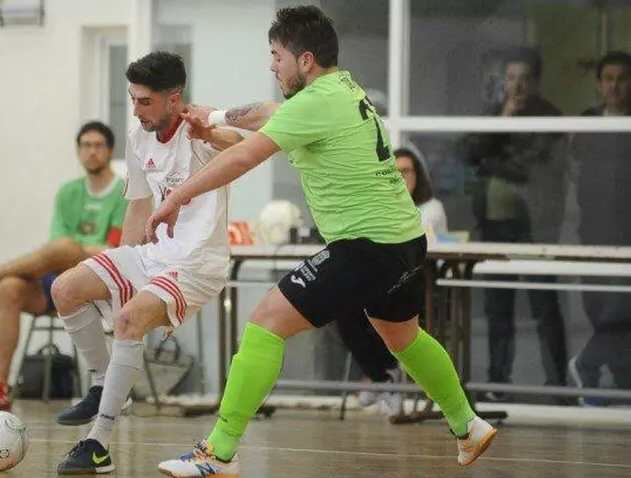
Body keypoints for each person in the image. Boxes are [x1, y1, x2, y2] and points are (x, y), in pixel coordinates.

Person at [150, 6, 496, 476]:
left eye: (277, 56)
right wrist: (211, 118)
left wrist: (176, 197)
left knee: (265, 322)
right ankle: (467, 424)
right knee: (405, 338)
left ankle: (219, 452)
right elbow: (268, 115)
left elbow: (246, 157)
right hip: (406, 242)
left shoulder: (313, 104)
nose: (272, 65)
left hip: (367, 246)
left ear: (305, 60)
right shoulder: (343, 89)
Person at [50, 51, 244, 475]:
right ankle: (102, 384)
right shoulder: (139, 137)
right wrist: (118, 268)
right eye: (132, 99)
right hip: (153, 255)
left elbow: (247, 149)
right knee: (65, 289)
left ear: (174, 99)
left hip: (196, 265)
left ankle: (97, 443)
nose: (136, 110)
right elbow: (138, 206)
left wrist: (211, 133)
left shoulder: (201, 128)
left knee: (128, 321)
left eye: (145, 101)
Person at [0, 121, 127, 413]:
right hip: (62, 279)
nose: (92, 152)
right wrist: (72, 249)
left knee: (63, 248)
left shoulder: (123, 192)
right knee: (10, 286)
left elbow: (112, 250)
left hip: (102, 283)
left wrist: (75, 248)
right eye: (86, 146)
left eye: (98, 146)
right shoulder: (68, 192)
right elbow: (56, 247)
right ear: (78, 151)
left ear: (109, 151)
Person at [464, 49, 569, 400]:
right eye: (511, 78)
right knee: (498, 309)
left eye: (524, 78)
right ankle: (498, 384)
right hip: (495, 225)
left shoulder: (548, 117)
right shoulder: (495, 113)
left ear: (535, 81)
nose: (517, 85)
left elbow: (530, 168)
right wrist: (503, 121)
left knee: (544, 307)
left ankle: (559, 385)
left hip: (535, 226)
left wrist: (492, 162)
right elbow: (470, 152)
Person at [338, 145, 450, 413]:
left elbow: (407, 238)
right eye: (394, 172)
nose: (400, 178)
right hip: (384, 282)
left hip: (424, 287)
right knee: (343, 308)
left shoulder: (431, 208)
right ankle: (383, 376)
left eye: (406, 172)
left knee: (383, 308)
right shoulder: (377, 206)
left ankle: (383, 378)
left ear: (418, 175)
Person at [569, 51, 631, 404]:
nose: (614, 86)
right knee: (602, 312)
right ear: (599, 84)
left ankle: (588, 364)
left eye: (622, 79)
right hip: (593, 233)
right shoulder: (588, 123)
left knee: (622, 311)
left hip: (627, 235)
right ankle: (617, 381)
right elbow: (575, 170)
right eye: (608, 79)